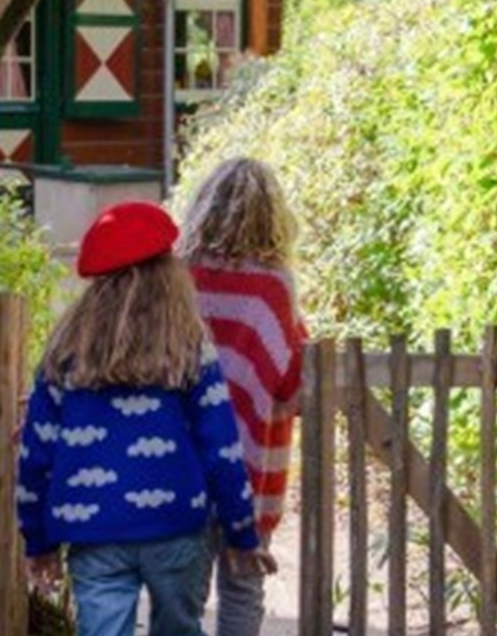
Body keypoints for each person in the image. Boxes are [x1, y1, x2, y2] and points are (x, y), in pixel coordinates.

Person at [17, 200, 264, 636]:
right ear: (169, 276)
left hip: (95, 534)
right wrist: (242, 532)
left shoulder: (64, 353)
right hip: (176, 529)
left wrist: (39, 543)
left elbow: (35, 455)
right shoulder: (189, 350)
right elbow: (222, 450)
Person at [181, 158, 307, 636]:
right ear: (272, 216)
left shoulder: (179, 276)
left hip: (183, 459)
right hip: (253, 465)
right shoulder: (275, 285)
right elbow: (288, 383)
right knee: (242, 586)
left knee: (183, 590)